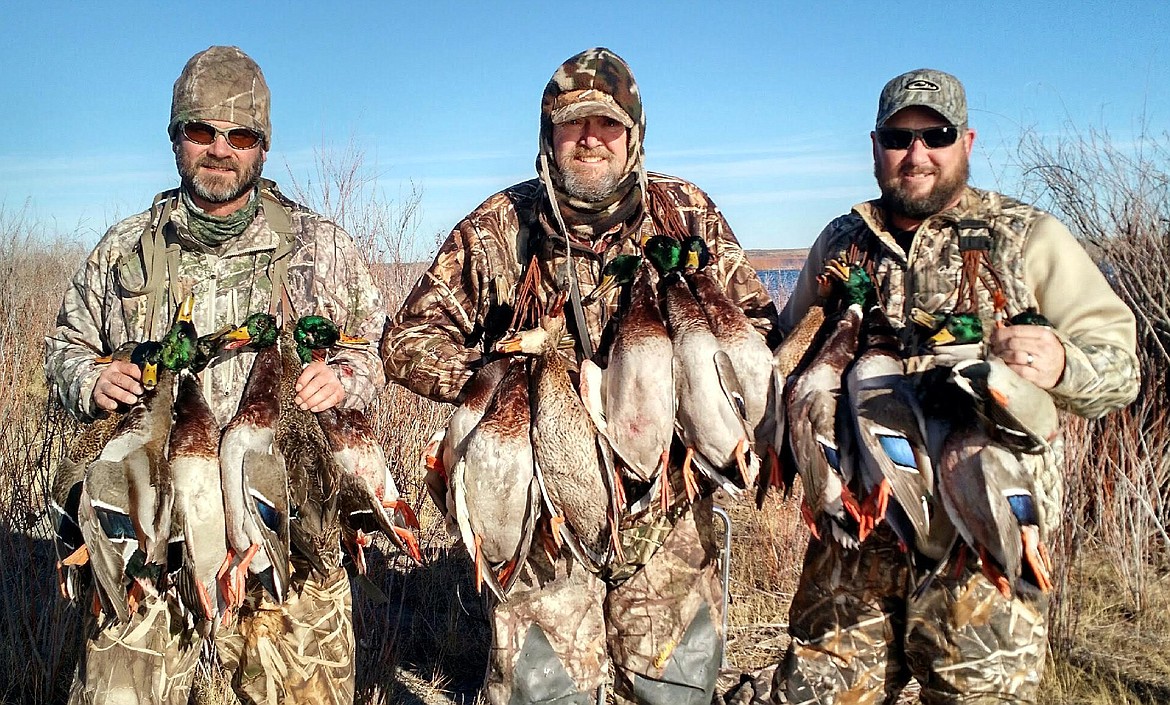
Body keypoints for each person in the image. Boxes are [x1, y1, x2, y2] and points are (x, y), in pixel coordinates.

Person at [730, 69, 1140, 704]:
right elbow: (782, 352)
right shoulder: (842, 242)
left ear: (967, 142)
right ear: (875, 147)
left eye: (936, 135)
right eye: (899, 137)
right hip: (854, 550)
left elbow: (1119, 367)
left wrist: (1061, 365)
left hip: (979, 553)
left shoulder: (1027, 238)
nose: (916, 153)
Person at [383, 47, 778, 705]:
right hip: (543, 507)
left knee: (675, 684)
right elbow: (405, 343)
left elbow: (757, 331)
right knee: (549, 691)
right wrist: (503, 381)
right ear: (548, 137)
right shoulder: (500, 225)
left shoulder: (686, 214)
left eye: (608, 126)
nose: (589, 139)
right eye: (571, 125)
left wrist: (694, 396)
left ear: (635, 136)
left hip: (667, 505)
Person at [45, 45, 386, 705]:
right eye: (202, 131)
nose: (220, 149)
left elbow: (373, 351)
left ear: (262, 147)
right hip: (150, 558)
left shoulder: (321, 246)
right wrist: (88, 377)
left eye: (241, 135)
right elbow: (66, 345)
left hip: (289, 551)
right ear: (175, 136)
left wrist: (343, 376)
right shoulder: (124, 251)